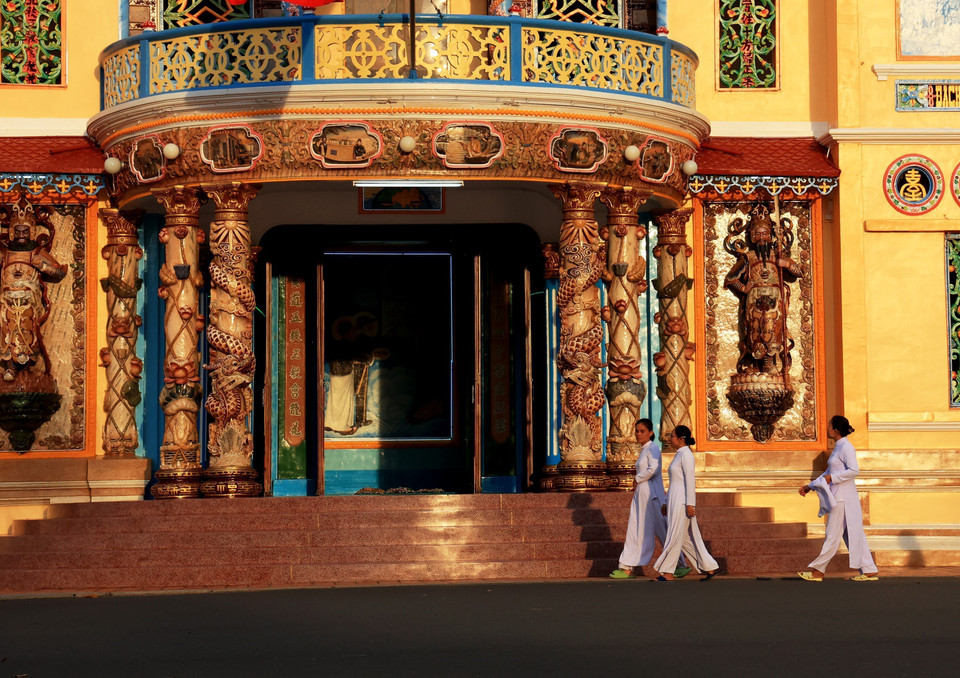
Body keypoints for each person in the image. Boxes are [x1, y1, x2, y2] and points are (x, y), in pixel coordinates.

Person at [798, 415, 880, 581]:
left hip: (842, 498)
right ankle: (869, 569)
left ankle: (818, 571)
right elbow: (829, 473)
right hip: (839, 496)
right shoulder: (838, 447)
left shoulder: (846, 448)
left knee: (832, 534)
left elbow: (853, 471)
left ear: (835, 429)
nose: (827, 428)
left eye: (829, 426)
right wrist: (810, 486)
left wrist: (832, 479)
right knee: (851, 534)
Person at [609, 419, 692, 579]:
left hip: (651, 496)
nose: (638, 434)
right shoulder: (645, 449)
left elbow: (653, 469)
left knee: (659, 530)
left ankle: (679, 564)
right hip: (644, 495)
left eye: (642, 431)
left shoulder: (653, 448)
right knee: (641, 529)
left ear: (651, 433)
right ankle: (628, 567)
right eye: (637, 431)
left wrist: (637, 478)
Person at [652, 426, 719, 581]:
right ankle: (709, 567)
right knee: (683, 540)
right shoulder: (679, 455)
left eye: (672, 436)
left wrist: (690, 504)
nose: (670, 439)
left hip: (682, 502)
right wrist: (666, 502)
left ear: (681, 439)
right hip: (675, 500)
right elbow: (675, 482)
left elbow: (690, 481)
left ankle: (668, 572)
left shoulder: (687, 455)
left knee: (674, 536)